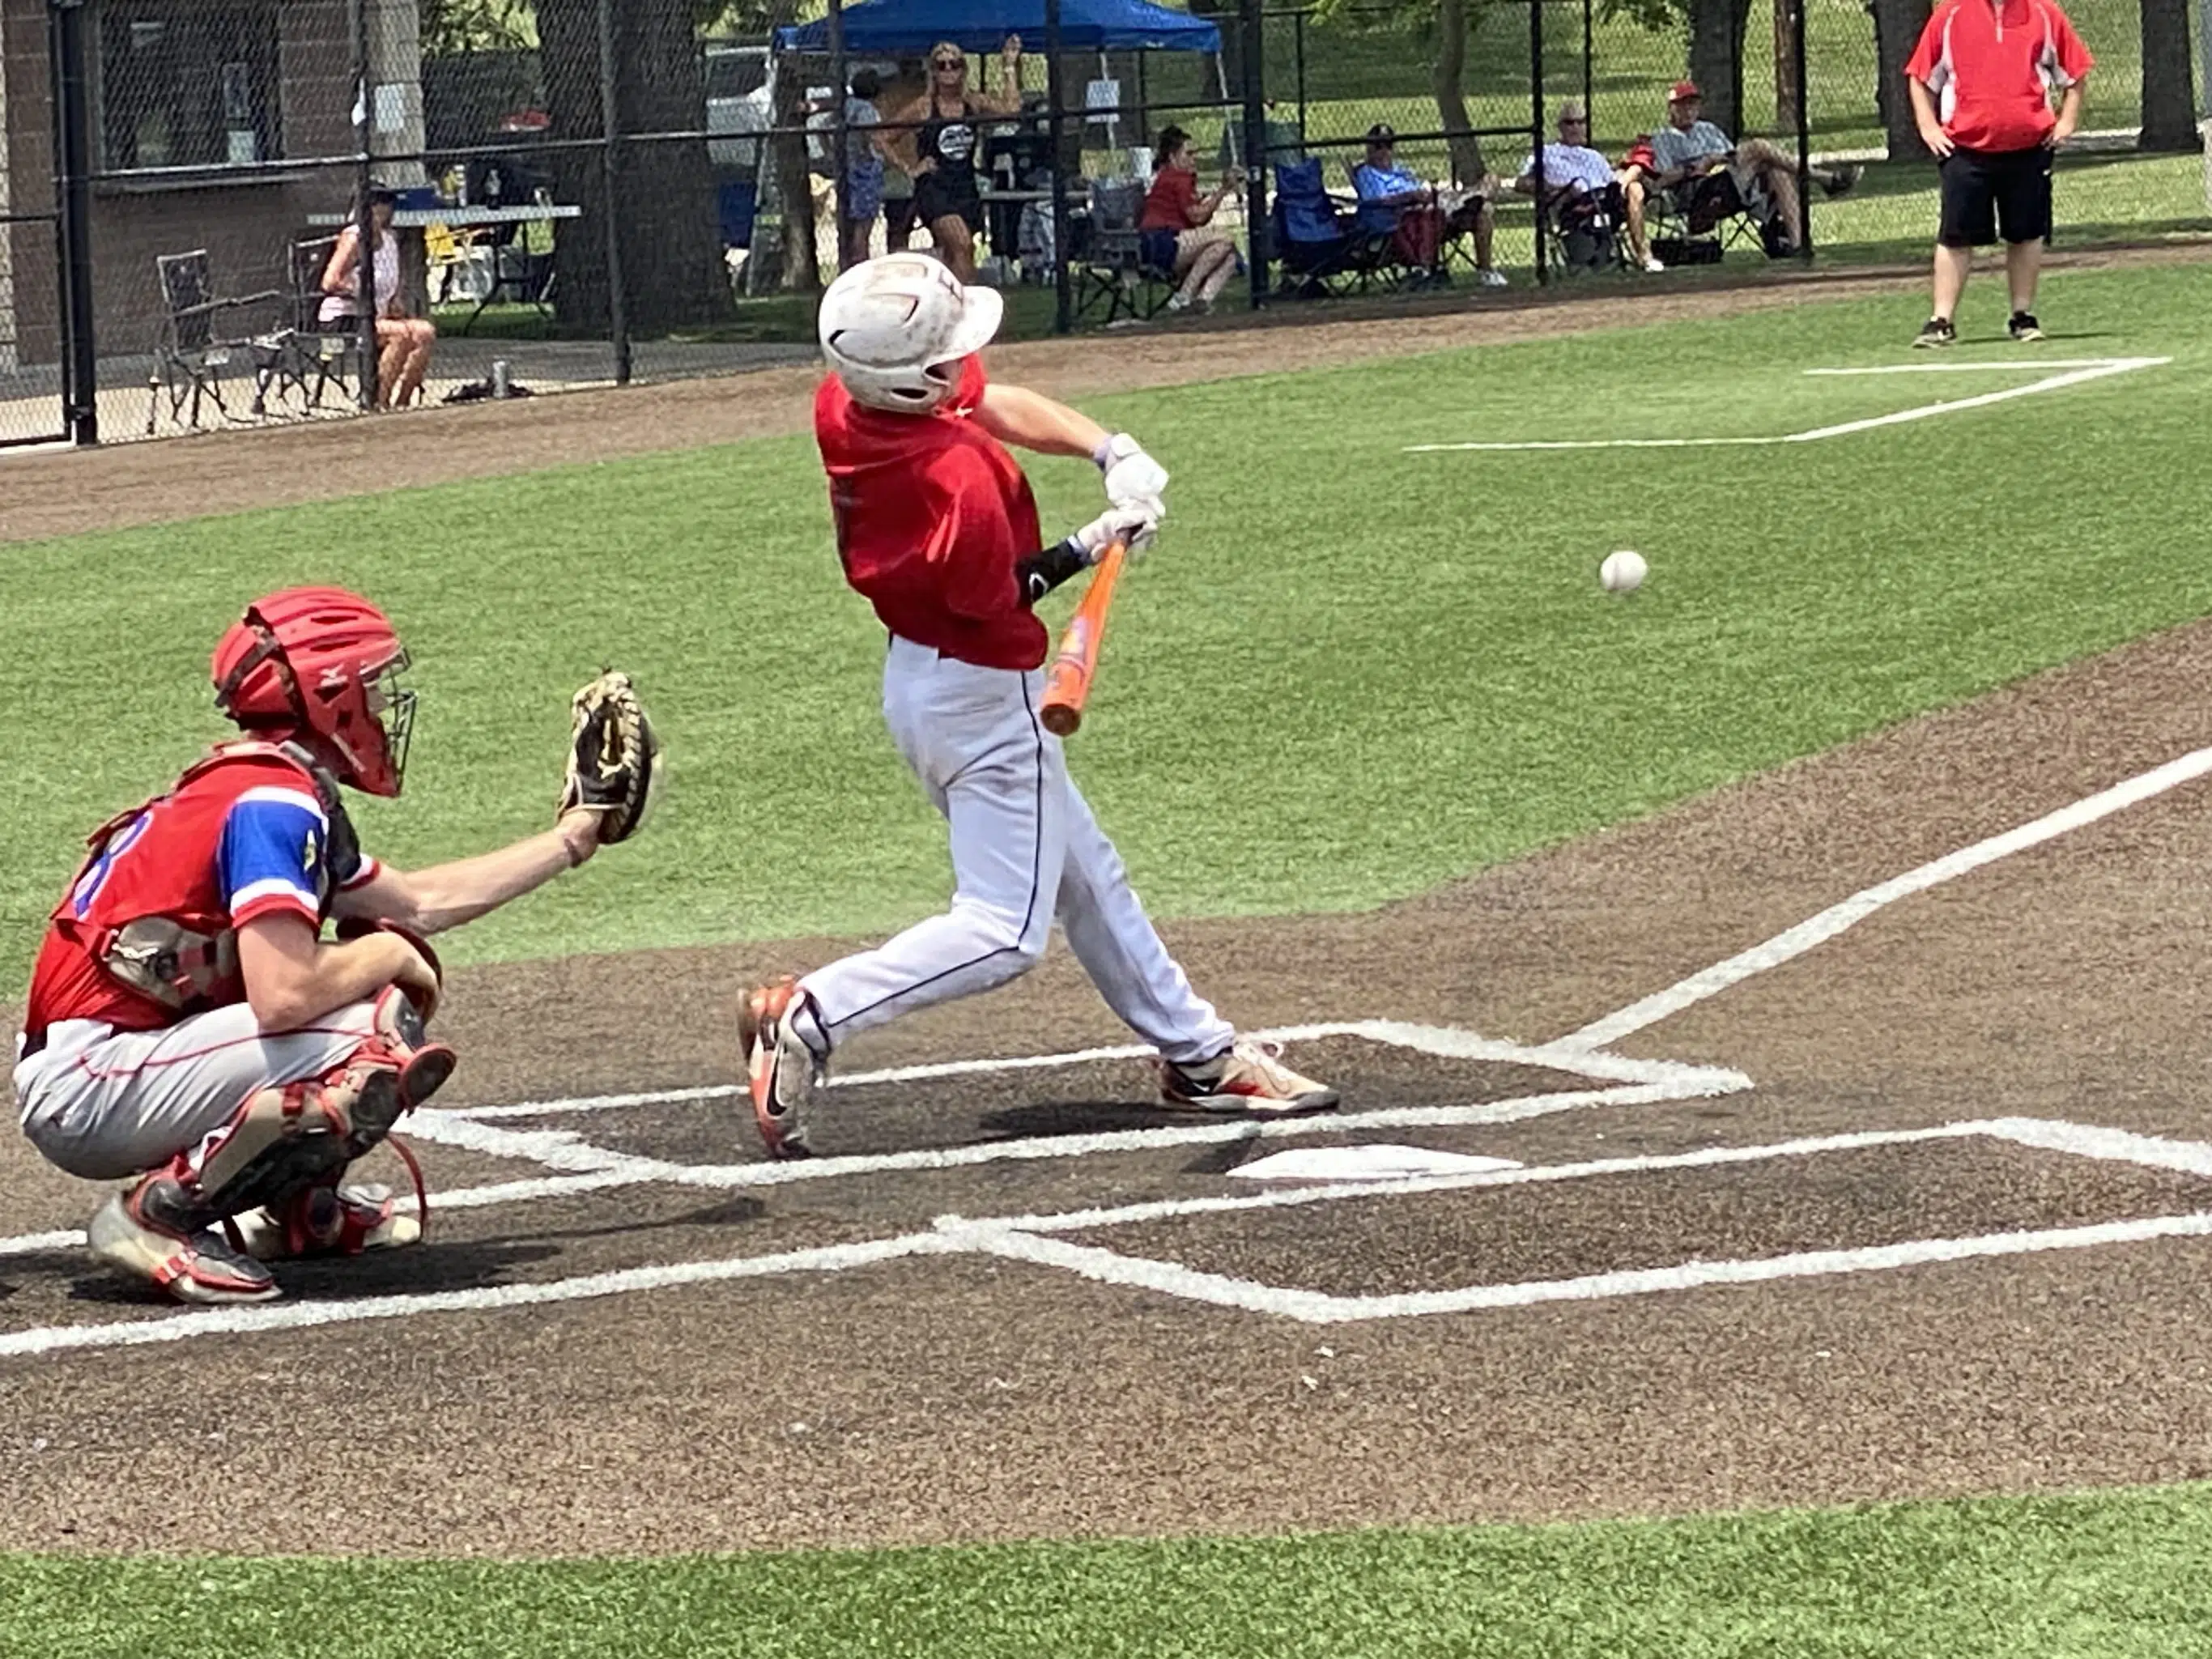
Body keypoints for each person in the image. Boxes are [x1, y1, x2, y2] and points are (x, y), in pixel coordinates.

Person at [740, 253, 1340, 1161]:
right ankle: (814, 1013)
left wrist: (1109, 448)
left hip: (925, 679)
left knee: (1087, 877)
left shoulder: (852, 401)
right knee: (1003, 931)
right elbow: (1005, 593)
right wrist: (1096, 539)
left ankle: (1201, 1057)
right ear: (907, 378)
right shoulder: (951, 482)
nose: (962, 367)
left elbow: (986, 399)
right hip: (983, 696)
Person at [12, 588, 633, 1304]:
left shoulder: (262, 787)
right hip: (96, 1081)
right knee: (371, 1031)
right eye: (369, 688)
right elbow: (286, 994)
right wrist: (391, 957)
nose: (380, 707)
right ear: (326, 696)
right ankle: (158, 1215)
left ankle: (298, 1212)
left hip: (113, 1066)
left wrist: (573, 838)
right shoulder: (272, 804)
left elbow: (420, 902)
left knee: (372, 981)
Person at [1904, 0, 2091, 347]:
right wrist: (1928, 127)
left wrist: (2066, 121)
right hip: (1965, 149)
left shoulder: (2044, 13)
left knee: (2025, 232)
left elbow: (2075, 72)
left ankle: (2022, 315)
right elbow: (1920, 77)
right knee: (1956, 235)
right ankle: (1940, 320)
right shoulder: (1951, 14)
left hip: (2029, 148)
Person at [1624, 82, 1860, 259]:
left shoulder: (1708, 129)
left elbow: (1731, 156)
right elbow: (1662, 179)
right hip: (1698, 194)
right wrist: (1695, 167)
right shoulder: (1662, 139)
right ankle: (1824, 178)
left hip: (1730, 183)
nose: (1689, 109)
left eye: (1693, 104)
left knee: (1776, 169)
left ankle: (1797, 245)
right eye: (1683, 105)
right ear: (1671, 108)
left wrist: (1717, 159)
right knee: (1758, 148)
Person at [888, 36, 1025, 282]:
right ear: (933, 72)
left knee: (956, 254)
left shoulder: (973, 102)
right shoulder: (924, 107)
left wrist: (1008, 67)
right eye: (942, 65)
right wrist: (909, 168)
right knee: (963, 244)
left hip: (964, 184)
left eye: (955, 64)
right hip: (935, 187)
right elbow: (883, 137)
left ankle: (946, 305)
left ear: (963, 68)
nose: (949, 70)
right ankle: (966, 303)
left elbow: (1012, 110)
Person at [319, 187, 436, 410]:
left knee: (424, 332)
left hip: (378, 317)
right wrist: (362, 292)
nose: (384, 207)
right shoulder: (354, 238)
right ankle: (377, 402)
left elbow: (394, 286)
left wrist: (396, 302)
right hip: (346, 315)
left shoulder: (391, 240)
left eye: (387, 202)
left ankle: (403, 402)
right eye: (376, 202)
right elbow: (330, 281)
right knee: (400, 334)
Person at [1350, 123, 1506, 287]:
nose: (1383, 151)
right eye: (1378, 146)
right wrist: (1410, 196)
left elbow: (1420, 187)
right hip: (1413, 215)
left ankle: (1486, 270)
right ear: (1368, 148)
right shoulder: (1367, 173)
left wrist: (1428, 192)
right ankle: (1470, 205)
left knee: (1488, 191)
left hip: (1434, 203)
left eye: (1388, 146)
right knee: (1480, 210)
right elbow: (1376, 201)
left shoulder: (1400, 170)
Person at [1512, 102, 1654, 271]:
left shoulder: (1593, 156)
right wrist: (1554, 188)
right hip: (1574, 205)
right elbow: (1520, 183)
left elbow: (1611, 182)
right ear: (1559, 127)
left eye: (1581, 122)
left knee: (1635, 188)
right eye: (1570, 123)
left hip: (1607, 201)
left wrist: (1631, 173)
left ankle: (1643, 256)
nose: (1576, 127)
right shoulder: (1546, 153)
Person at [1137, 125, 1244, 314]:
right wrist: (1224, 190)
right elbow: (1198, 216)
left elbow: (1197, 219)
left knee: (1229, 257)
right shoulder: (1177, 177)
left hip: (1169, 240)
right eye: (1189, 154)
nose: (1194, 159)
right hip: (1160, 242)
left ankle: (1201, 301)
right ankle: (1183, 296)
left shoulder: (1176, 177)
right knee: (1225, 238)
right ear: (1172, 157)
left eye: (1195, 154)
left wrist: (1215, 194)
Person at [809, 67, 887, 270]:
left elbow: (822, 130)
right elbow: (869, 134)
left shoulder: (846, 107)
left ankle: (851, 262)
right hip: (865, 170)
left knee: (850, 221)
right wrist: (868, 153)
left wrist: (831, 153)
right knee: (864, 224)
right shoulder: (866, 110)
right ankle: (862, 264)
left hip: (847, 167)